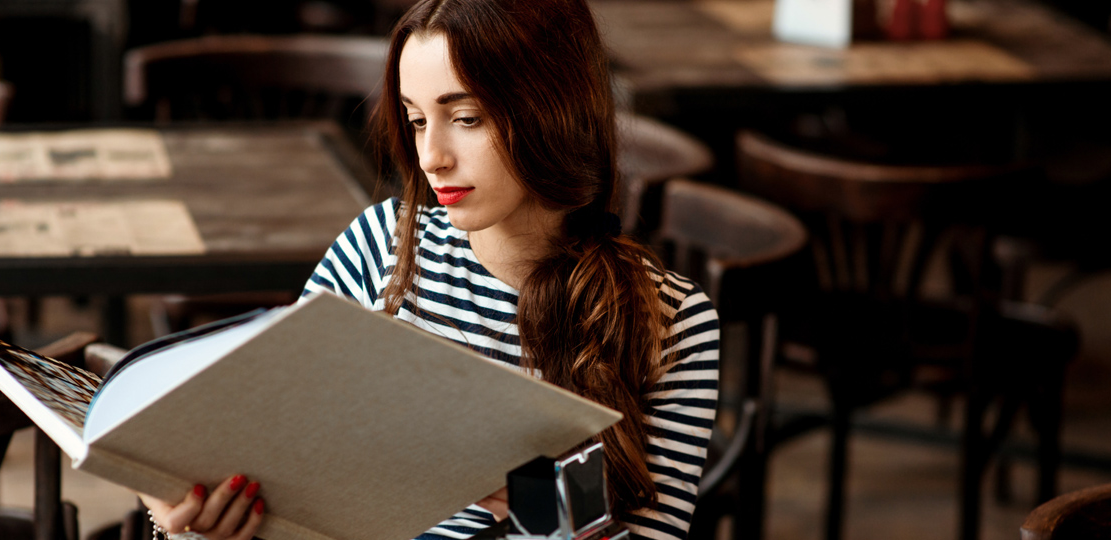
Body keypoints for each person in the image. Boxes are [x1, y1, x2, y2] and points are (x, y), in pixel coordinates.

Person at [141, 0, 720, 539]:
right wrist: (192, 517)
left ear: (555, 110)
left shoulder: (671, 322)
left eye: (465, 118)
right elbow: (275, 453)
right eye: (417, 121)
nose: (431, 157)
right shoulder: (380, 246)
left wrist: (519, 488)